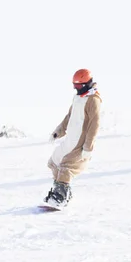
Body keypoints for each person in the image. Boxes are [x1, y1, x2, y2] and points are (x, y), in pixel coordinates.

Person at [44, 68, 102, 207]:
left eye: (79, 86)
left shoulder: (93, 100)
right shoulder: (78, 98)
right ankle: (60, 191)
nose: (76, 89)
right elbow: (69, 117)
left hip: (80, 142)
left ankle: (60, 197)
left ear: (87, 84)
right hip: (70, 139)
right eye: (74, 86)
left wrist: (88, 147)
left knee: (66, 166)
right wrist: (58, 132)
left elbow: (94, 124)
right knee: (54, 161)